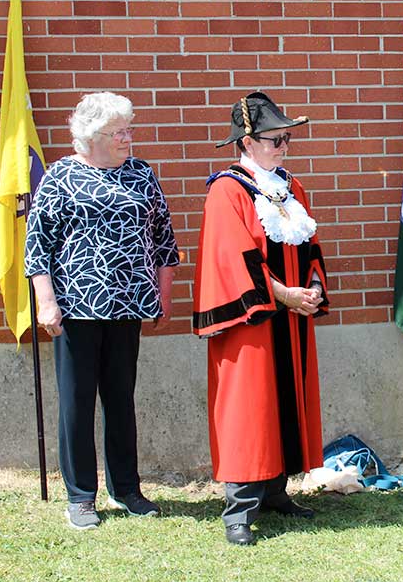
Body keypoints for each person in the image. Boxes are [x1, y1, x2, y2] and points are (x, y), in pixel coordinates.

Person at [24, 92, 179, 530]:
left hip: (128, 307)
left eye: (129, 129)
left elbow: (164, 238)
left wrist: (162, 295)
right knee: (76, 402)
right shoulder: (60, 176)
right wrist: (46, 303)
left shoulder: (142, 174)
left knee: (120, 400)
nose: (128, 137)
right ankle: (80, 496)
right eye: (119, 132)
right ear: (91, 137)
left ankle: (127, 489)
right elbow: (38, 246)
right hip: (77, 308)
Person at [192, 92, 328, 546]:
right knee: (248, 411)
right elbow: (234, 258)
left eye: (287, 139)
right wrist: (285, 295)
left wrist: (312, 289)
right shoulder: (227, 190)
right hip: (252, 321)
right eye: (275, 139)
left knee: (284, 405)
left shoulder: (291, 187)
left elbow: (309, 247)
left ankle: (275, 493)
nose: (284, 147)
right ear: (247, 142)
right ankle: (239, 508)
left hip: (290, 319)